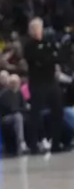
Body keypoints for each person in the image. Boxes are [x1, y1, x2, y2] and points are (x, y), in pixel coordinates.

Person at [24, 17, 66, 153]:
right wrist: (47, 58)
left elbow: (57, 57)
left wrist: (48, 58)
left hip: (51, 82)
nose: (40, 30)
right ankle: (33, 145)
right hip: (37, 83)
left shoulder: (49, 42)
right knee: (35, 114)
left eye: (40, 27)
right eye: (37, 28)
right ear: (32, 30)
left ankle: (56, 142)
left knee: (58, 111)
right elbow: (38, 60)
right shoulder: (29, 45)